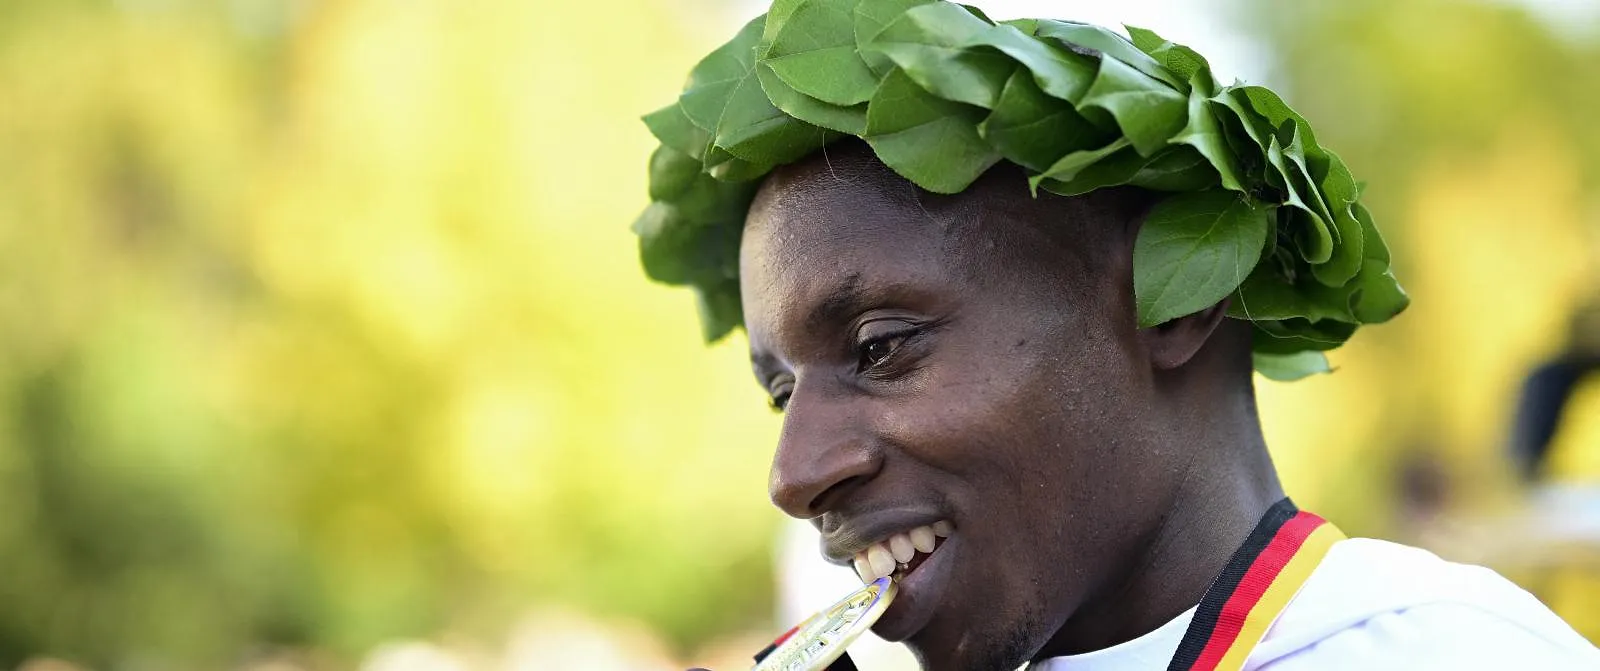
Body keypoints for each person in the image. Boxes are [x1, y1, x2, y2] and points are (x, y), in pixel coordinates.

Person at [636, 2, 1600, 669]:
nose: (793, 474)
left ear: (1171, 299)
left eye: (883, 346)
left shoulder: (1448, 655)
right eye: (781, 389)